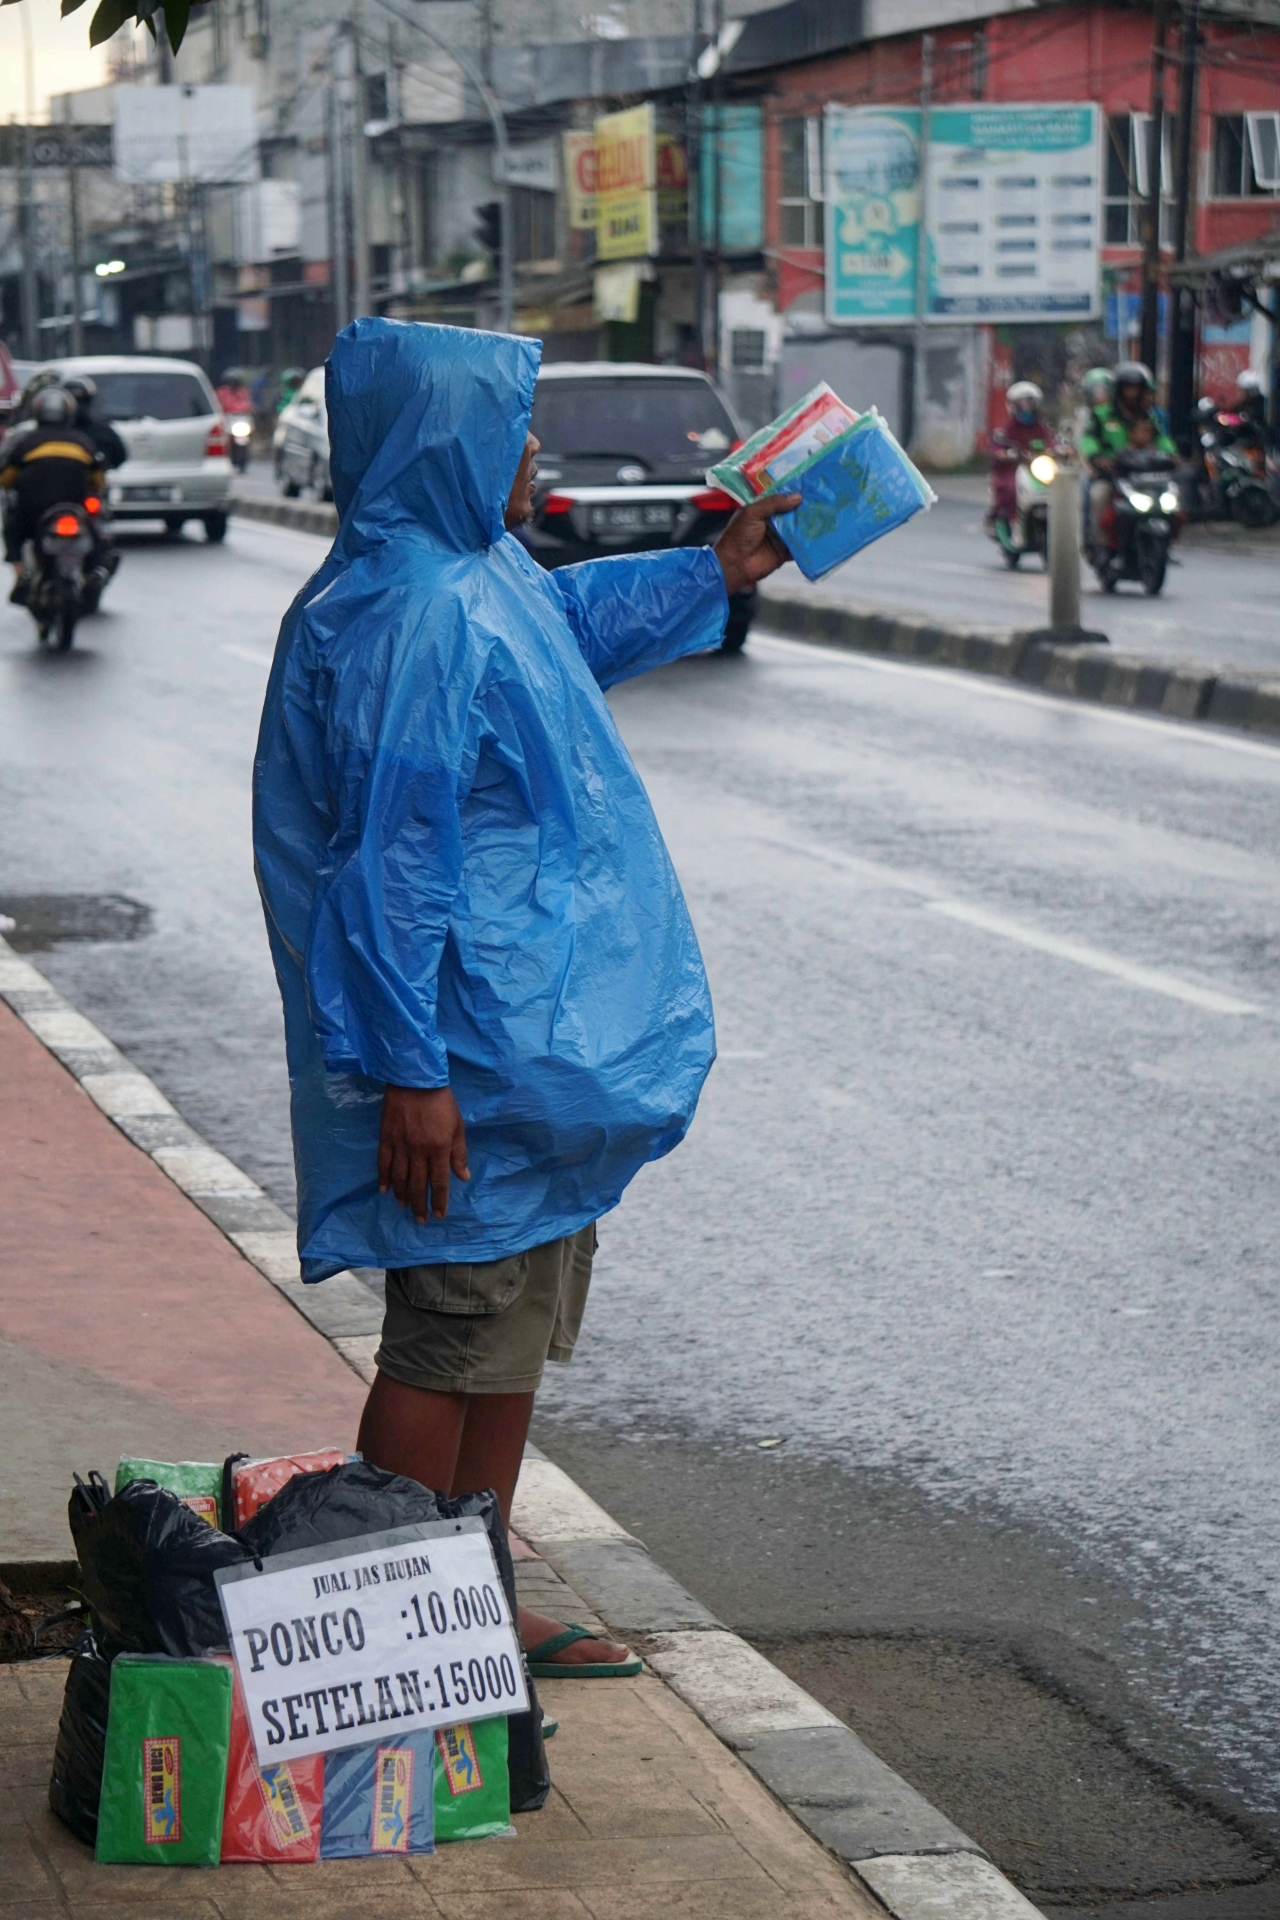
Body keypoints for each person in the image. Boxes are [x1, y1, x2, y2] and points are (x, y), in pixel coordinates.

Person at [253, 318, 800, 1675]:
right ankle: (387, 1638)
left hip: (527, 1047)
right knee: (447, 1336)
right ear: (447, 440)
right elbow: (390, 862)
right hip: (467, 1050)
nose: (534, 445)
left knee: (507, 1332)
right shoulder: (407, 616)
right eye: (513, 423)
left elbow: (568, 624)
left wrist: (711, 569)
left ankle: (474, 1597)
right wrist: (413, 1071)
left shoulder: (477, 574)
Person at [1, 386, 103, 604]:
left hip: (34, 511)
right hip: (75, 509)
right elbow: (98, 480)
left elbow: (6, 479)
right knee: (96, 533)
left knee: (13, 531)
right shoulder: (82, 440)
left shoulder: (26, 442)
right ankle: (92, 573)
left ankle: (21, 575)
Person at [1078, 361, 1174, 552]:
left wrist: (1170, 455)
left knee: (1172, 501)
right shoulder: (1100, 415)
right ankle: (1100, 545)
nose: (1133, 393)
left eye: (1137, 388)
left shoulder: (1149, 416)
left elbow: (1162, 439)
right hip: (1113, 473)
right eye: (1128, 388)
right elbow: (1088, 440)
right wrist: (1097, 457)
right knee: (1098, 496)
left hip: (1143, 474)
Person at [987, 380, 1048, 533]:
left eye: (1030, 403)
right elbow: (996, 446)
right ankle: (1006, 519)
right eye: (1022, 403)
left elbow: (1051, 442)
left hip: (1036, 469)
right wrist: (1003, 454)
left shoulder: (1040, 428)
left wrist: (1061, 449)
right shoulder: (1007, 429)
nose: (1026, 407)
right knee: (1010, 489)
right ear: (1013, 406)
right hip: (1011, 470)